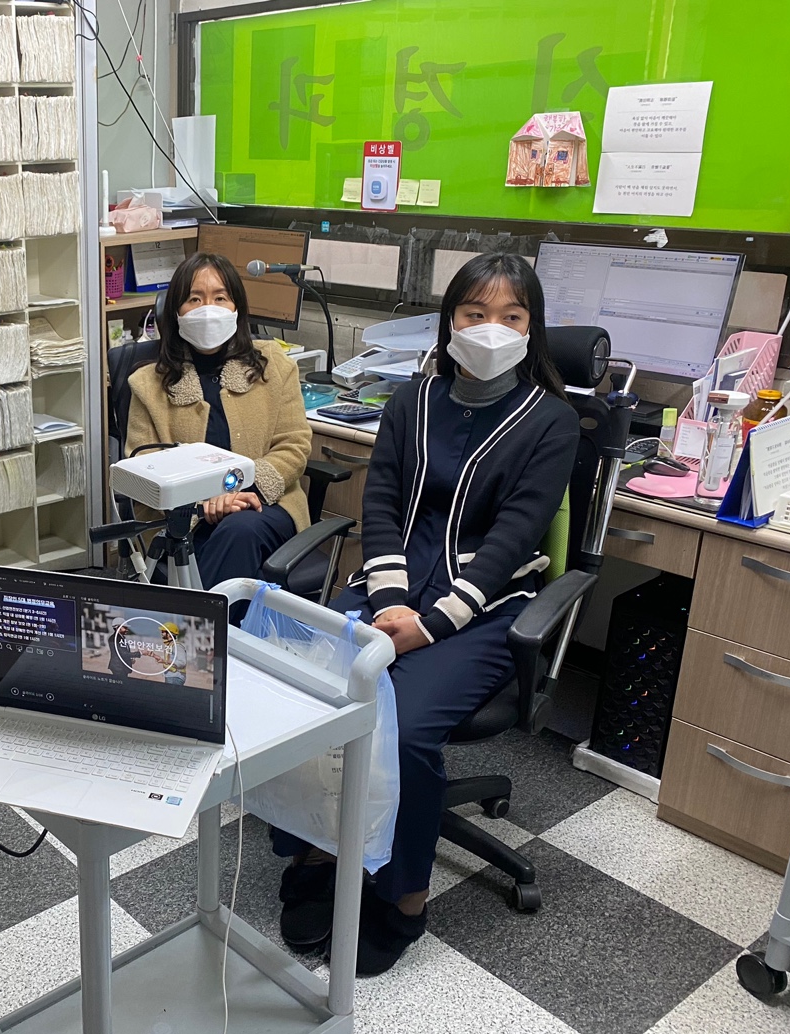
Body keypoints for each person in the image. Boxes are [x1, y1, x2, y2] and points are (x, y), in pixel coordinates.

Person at [273, 253, 578, 975]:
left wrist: (432, 624)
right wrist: (388, 602)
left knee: (401, 728)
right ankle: (323, 845)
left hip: (485, 606)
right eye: (475, 313)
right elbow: (379, 502)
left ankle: (406, 895)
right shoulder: (412, 400)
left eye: (511, 316)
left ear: (531, 329)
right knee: (313, 687)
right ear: (450, 321)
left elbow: (512, 539)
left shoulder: (552, 421)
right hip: (390, 585)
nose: (491, 329)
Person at [125, 252, 311, 589]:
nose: (207, 309)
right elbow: (143, 467)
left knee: (238, 531)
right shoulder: (148, 385)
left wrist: (238, 490)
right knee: (233, 558)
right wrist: (201, 504)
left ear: (237, 308)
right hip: (183, 519)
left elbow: (294, 445)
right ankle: (225, 621)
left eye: (220, 298)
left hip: (264, 504)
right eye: (195, 299)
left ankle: (193, 621)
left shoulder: (273, 365)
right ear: (176, 312)